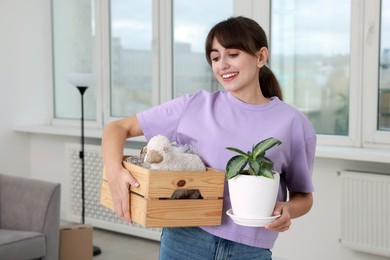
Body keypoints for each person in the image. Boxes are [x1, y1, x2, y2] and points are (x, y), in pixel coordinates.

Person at [102, 16, 316, 260]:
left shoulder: (292, 123)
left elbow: (304, 197)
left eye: (232, 54)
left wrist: (287, 209)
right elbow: (117, 128)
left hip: (249, 249)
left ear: (261, 57)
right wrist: (114, 173)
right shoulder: (195, 105)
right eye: (215, 58)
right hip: (185, 239)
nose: (222, 64)